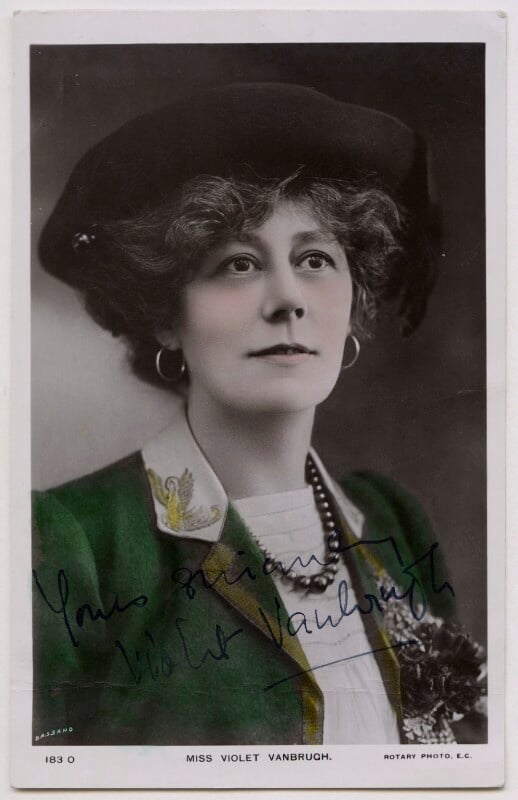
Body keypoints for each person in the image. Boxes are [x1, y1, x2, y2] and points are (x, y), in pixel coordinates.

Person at [32, 82, 485, 747]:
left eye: (315, 259)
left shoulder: (393, 522)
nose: (288, 299)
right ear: (164, 316)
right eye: (239, 264)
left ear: (353, 300)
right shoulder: (71, 544)